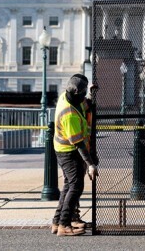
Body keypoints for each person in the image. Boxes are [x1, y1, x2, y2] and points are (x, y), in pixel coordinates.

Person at [51, 74, 98, 236]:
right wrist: (91, 164)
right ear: (77, 92)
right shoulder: (69, 113)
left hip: (64, 148)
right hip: (68, 151)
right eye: (84, 94)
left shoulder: (69, 96)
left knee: (68, 185)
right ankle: (64, 225)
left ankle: (57, 222)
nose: (85, 97)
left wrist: (91, 95)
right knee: (76, 186)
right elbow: (78, 143)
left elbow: (86, 105)